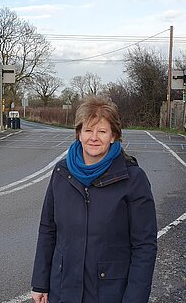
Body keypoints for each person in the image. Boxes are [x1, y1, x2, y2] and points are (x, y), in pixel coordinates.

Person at [31, 95, 157, 303]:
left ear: (113, 136)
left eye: (102, 131)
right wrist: (40, 283)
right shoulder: (62, 172)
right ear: (79, 133)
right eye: (88, 130)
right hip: (63, 290)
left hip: (110, 293)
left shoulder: (133, 179)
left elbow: (144, 246)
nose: (94, 137)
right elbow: (48, 230)